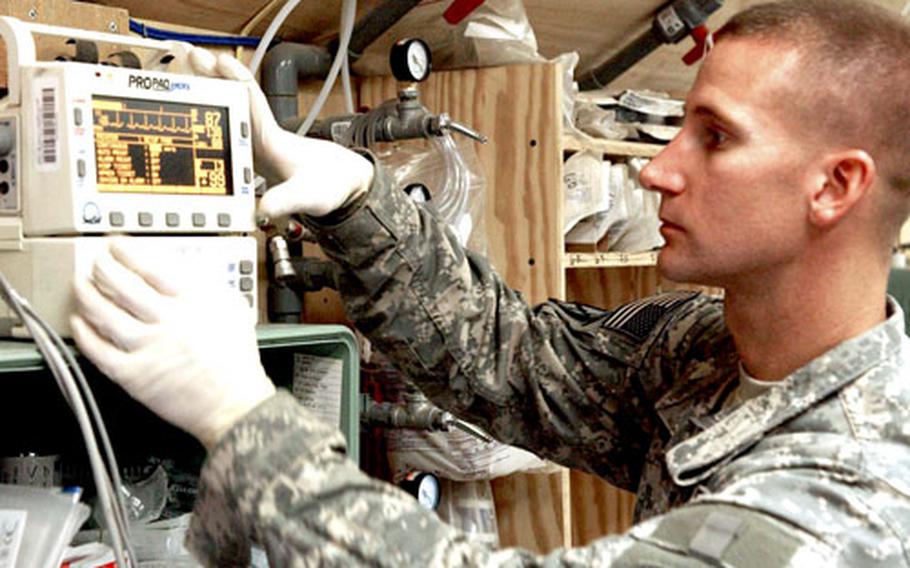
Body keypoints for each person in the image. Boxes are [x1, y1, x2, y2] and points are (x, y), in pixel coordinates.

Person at [70, 0, 910, 565]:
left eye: (715, 138)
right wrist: (354, 196)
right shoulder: (705, 343)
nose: (656, 169)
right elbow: (513, 359)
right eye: (677, 126)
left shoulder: (852, 500)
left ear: (835, 187)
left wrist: (242, 420)